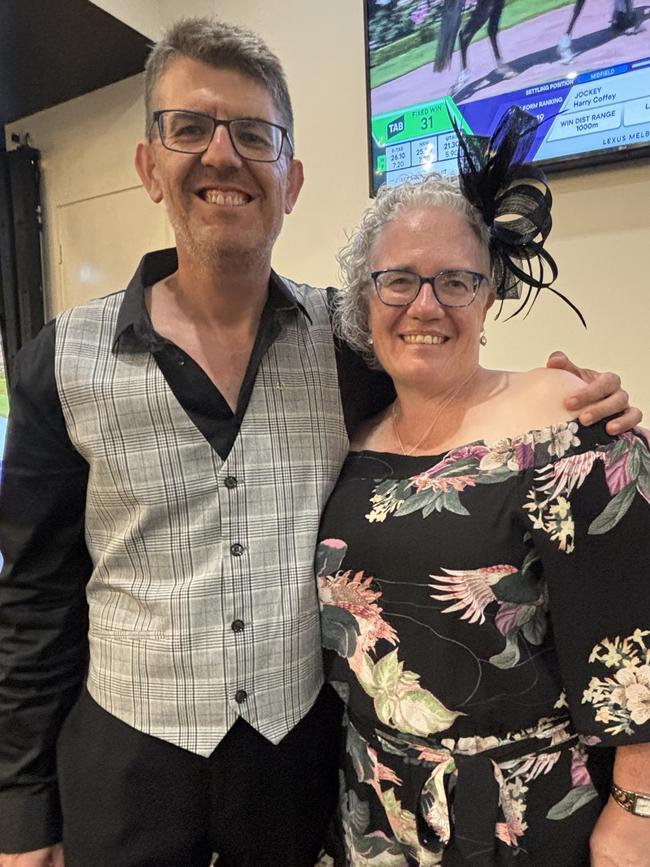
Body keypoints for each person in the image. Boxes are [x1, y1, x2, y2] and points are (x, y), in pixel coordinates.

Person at [0, 19, 640, 867]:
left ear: (290, 177)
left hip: (301, 775)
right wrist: (22, 816)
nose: (222, 155)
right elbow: (35, 604)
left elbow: (456, 402)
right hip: (127, 770)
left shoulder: (346, 356)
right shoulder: (58, 362)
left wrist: (576, 397)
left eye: (253, 134)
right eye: (189, 127)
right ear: (148, 165)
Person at [316, 109, 650, 865]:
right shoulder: (352, 438)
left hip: (524, 817)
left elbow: (636, 631)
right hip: (371, 801)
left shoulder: (569, 419)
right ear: (364, 304)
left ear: (489, 297)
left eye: (456, 281)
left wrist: (637, 810)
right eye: (398, 280)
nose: (425, 304)